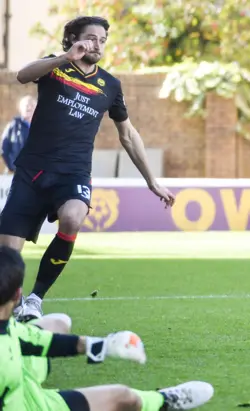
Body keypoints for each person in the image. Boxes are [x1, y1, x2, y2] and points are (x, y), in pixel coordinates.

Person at [3, 16, 176, 322]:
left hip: (73, 173)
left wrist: (152, 181)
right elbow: (22, 76)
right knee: (8, 257)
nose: (97, 44)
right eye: (91, 37)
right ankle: (13, 307)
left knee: (72, 217)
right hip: (32, 172)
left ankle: (35, 299)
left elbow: (128, 134)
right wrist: (65, 57)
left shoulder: (110, 85)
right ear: (72, 39)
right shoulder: (55, 66)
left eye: (102, 40)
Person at [0, 245, 214, 410]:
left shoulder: (7, 326)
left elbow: (32, 339)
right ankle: (162, 401)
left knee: (58, 323)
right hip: (25, 404)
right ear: (18, 295)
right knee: (123, 397)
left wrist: (102, 345)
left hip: (15, 378)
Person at [1, 95, 36, 174]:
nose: (29, 108)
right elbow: (4, 149)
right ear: (20, 108)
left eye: (32, 105)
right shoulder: (13, 126)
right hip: (18, 173)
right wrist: (12, 166)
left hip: (39, 173)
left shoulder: (44, 126)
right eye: (26, 105)